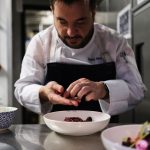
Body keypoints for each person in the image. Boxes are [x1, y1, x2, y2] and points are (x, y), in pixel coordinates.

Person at [14, 0, 146, 122]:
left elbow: (137, 90)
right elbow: (22, 89)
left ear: (93, 12)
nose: (71, 32)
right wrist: (44, 93)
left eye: (80, 21)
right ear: (52, 11)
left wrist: (104, 89)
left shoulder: (114, 41)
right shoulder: (41, 43)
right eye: (62, 21)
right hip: (56, 132)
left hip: (104, 133)